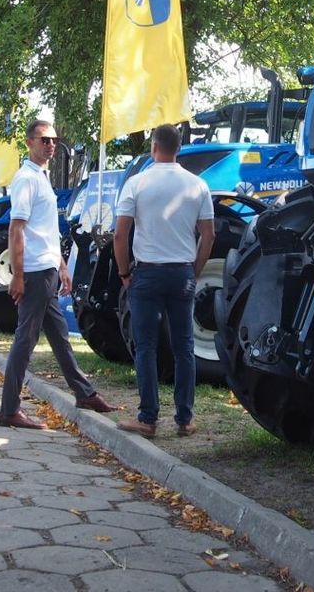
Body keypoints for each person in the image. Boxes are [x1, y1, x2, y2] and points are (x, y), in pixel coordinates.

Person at [0, 119, 115, 430]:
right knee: (25, 339)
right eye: (43, 140)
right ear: (29, 143)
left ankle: (84, 393)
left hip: (47, 269)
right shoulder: (26, 179)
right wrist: (18, 275)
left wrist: (62, 266)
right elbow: (16, 229)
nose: (50, 145)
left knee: (60, 337)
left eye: (53, 140)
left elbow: (46, 230)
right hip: (33, 272)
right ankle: (9, 410)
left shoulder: (41, 176)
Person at [113, 123, 214, 439]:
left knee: (146, 346)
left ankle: (148, 418)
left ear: (153, 147)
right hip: (182, 271)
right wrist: (194, 270)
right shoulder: (198, 185)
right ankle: (184, 419)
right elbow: (209, 234)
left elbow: (120, 234)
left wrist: (124, 273)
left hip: (147, 272)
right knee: (184, 345)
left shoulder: (137, 183)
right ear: (179, 148)